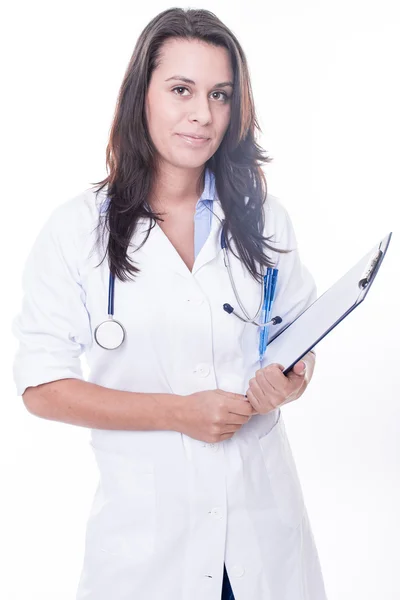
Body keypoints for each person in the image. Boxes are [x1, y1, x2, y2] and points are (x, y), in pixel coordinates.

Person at [12, 7, 327, 600]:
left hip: (263, 542)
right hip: (148, 551)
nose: (201, 114)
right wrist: (179, 412)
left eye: (220, 94)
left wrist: (291, 380)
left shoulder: (263, 219)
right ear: (142, 96)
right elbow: (41, 386)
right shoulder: (75, 230)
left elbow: (299, 342)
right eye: (181, 89)